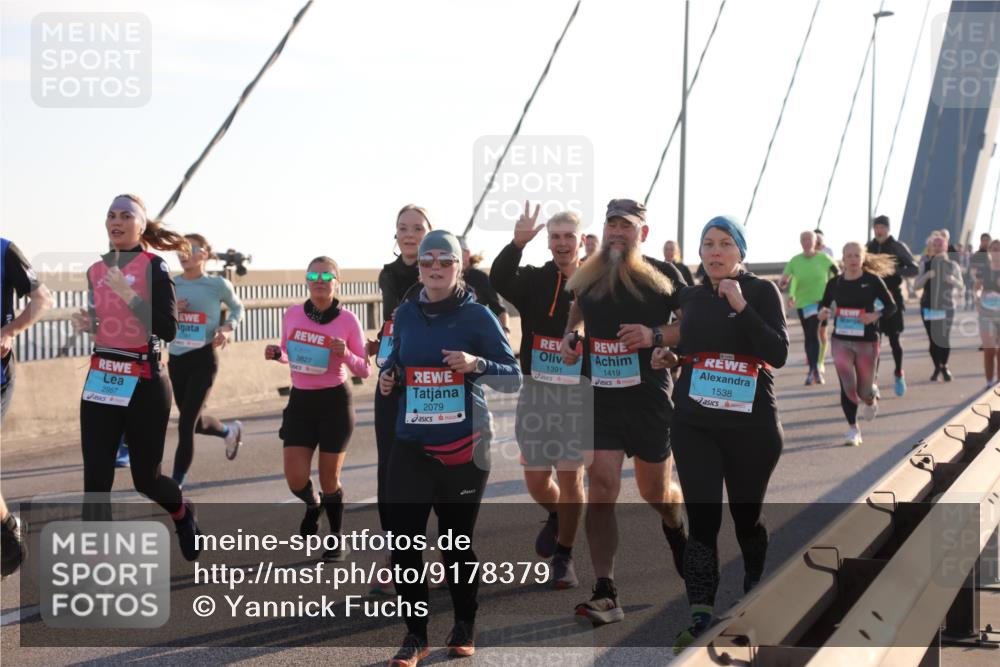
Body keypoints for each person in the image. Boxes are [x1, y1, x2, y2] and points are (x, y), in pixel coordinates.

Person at [378, 230, 521, 665]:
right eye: (427, 261)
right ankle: (415, 634)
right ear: (418, 265)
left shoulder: (478, 317)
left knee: (456, 541)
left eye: (445, 260)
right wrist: (389, 375)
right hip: (412, 442)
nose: (435, 268)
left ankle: (464, 623)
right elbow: (394, 359)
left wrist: (477, 364)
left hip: (464, 446)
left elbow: (512, 377)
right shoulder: (404, 313)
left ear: (460, 265)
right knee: (403, 541)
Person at [649, 216, 788, 655]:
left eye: (724, 243)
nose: (714, 251)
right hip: (695, 424)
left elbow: (778, 353)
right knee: (703, 518)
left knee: (746, 516)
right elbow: (696, 348)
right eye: (707, 244)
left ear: (740, 252)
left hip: (752, 427)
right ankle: (700, 616)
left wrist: (742, 306)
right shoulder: (690, 297)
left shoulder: (761, 291)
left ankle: (754, 588)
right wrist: (672, 357)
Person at [558, 198, 687, 627]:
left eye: (626, 227)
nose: (616, 233)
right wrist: (571, 333)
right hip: (601, 399)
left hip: (649, 399)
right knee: (602, 486)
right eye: (611, 225)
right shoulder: (588, 274)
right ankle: (606, 591)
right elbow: (577, 307)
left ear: (642, 234)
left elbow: (690, 325)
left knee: (656, 493)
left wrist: (655, 335)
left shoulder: (665, 275)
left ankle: (677, 527)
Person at [70, 194, 201, 558]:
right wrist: (91, 324)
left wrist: (128, 293)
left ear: (140, 225)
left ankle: (181, 511)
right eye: (111, 214)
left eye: (126, 215)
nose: (116, 220)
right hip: (102, 379)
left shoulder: (154, 267)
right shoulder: (96, 270)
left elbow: (168, 328)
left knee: (146, 479)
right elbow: (112, 325)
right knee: (96, 479)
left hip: (144, 381)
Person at [490, 202, 585, 589]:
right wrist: (516, 243)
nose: (562, 244)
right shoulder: (534, 280)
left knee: (570, 474)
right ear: (548, 242)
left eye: (569, 238)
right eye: (556, 237)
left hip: (578, 396)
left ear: (581, 242)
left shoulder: (595, 282)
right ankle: (559, 514)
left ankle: (564, 556)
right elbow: (498, 279)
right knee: (536, 481)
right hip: (536, 392)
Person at [264, 256, 370, 562]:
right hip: (301, 402)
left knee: (329, 479)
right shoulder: (293, 313)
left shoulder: (348, 319)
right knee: (295, 478)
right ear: (307, 280)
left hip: (335, 403)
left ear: (337, 282)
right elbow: (288, 353)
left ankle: (336, 539)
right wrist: (277, 353)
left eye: (327, 276)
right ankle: (313, 505)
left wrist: (346, 353)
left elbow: (364, 369)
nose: (320, 280)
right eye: (314, 275)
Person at [368, 204, 431, 594]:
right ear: (396, 234)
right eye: (404, 228)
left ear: (430, 232)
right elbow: (398, 314)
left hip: (432, 381)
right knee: (389, 469)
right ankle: (395, 555)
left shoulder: (444, 270)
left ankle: (442, 549)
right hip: (393, 377)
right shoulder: (390, 274)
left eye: (418, 229)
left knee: (435, 470)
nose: (410, 235)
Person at [168, 234, 245, 487]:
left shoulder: (217, 285)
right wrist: (173, 311)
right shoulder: (170, 283)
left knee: (186, 423)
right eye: (179, 249)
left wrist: (226, 328)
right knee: (197, 422)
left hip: (203, 357)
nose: (183, 253)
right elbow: (155, 315)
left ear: (205, 254)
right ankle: (228, 431)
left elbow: (237, 308)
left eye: (190, 249)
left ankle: (176, 484)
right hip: (177, 358)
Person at [1, 237, 52, 578]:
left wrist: (11, 330)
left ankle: (6, 536)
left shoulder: (4, 250)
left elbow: (42, 299)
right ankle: (5, 527)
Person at [818, 243, 897, 447]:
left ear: (863, 258)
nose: (852, 259)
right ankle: (853, 429)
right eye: (849, 256)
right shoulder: (834, 283)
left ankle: (870, 399)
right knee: (847, 385)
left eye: (856, 255)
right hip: (841, 340)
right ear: (842, 259)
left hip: (867, 341)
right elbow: (824, 304)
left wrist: (874, 315)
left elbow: (891, 306)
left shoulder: (872, 281)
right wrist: (823, 313)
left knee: (863, 390)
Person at [867, 215, 919, 396]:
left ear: (888, 229)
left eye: (882, 227)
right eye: (876, 227)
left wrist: (896, 270)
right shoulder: (869, 247)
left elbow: (915, 269)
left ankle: (898, 373)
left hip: (893, 297)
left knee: (894, 341)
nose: (879, 230)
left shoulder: (897, 247)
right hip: (874, 299)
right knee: (875, 343)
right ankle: (874, 382)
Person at [779, 231, 838, 385]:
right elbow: (786, 277)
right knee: (810, 335)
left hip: (820, 302)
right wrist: (783, 284)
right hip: (803, 303)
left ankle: (815, 369)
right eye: (803, 239)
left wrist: (836, 290)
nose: (805, 241)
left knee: (814, 332)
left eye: (808, 239)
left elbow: (837, 273)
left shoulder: (824, 258)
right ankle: (814, 369)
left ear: (815, 241)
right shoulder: (795, 260)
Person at [915, 235, 964, 381]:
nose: (937, 248)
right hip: (928, 306)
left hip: (947, 306)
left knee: (944, 339)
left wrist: (953, 280)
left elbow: (961, 285)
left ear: (945, 247)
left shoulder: (953, 265)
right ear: (931, 248)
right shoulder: (925, 264)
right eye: (934, 246)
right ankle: (938, 367)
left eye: (940, 246)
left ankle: (944, 366)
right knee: (932, 340)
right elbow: (916, 286)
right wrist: (927, 276)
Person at [457, 235, 509, 332]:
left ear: (467, 253)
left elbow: (499, 309)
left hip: (477, 336)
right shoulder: (444, 278)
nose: (456, 258)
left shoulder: (480, 278)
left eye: (459, 253)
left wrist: (505, 331)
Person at [975, 239, 1000, 386]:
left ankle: (998, 385)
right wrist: (977, 297)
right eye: (994, 249)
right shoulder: (984, 269)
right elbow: (977, 287)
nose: (996, 252)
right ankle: (989, 383)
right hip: (986, 312)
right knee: (989, 349)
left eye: (999, 249)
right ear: (989, 251)